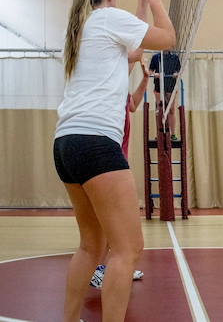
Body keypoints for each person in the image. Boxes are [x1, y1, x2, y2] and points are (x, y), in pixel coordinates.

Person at [54, 0, 175, 322]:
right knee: (128, 248)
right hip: (95, 144)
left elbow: (131, 52)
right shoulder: (108, 20)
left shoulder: (78, 29)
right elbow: (166, 38)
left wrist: (138, 1)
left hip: (66, 144)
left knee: (91, 245)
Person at [90, 58, 150, 289]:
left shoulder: (119, 90)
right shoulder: (106, 86)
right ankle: (98, 270)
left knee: (115, 224)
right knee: (107, 224)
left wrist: (145, 79)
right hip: (106, 159)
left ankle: (113, 266)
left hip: (117, 157)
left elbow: (133, 104)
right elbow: (128, 57)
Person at [149, 50, 181, 142]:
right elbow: (150, 71)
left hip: (171, 85)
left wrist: (176, 74)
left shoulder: (174, 58)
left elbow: (179, 71)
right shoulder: (156, 57)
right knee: (159, 110)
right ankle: (159, 133)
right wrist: (155, 74)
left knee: (171, 109)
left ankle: (173, 133)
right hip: (159, 85)